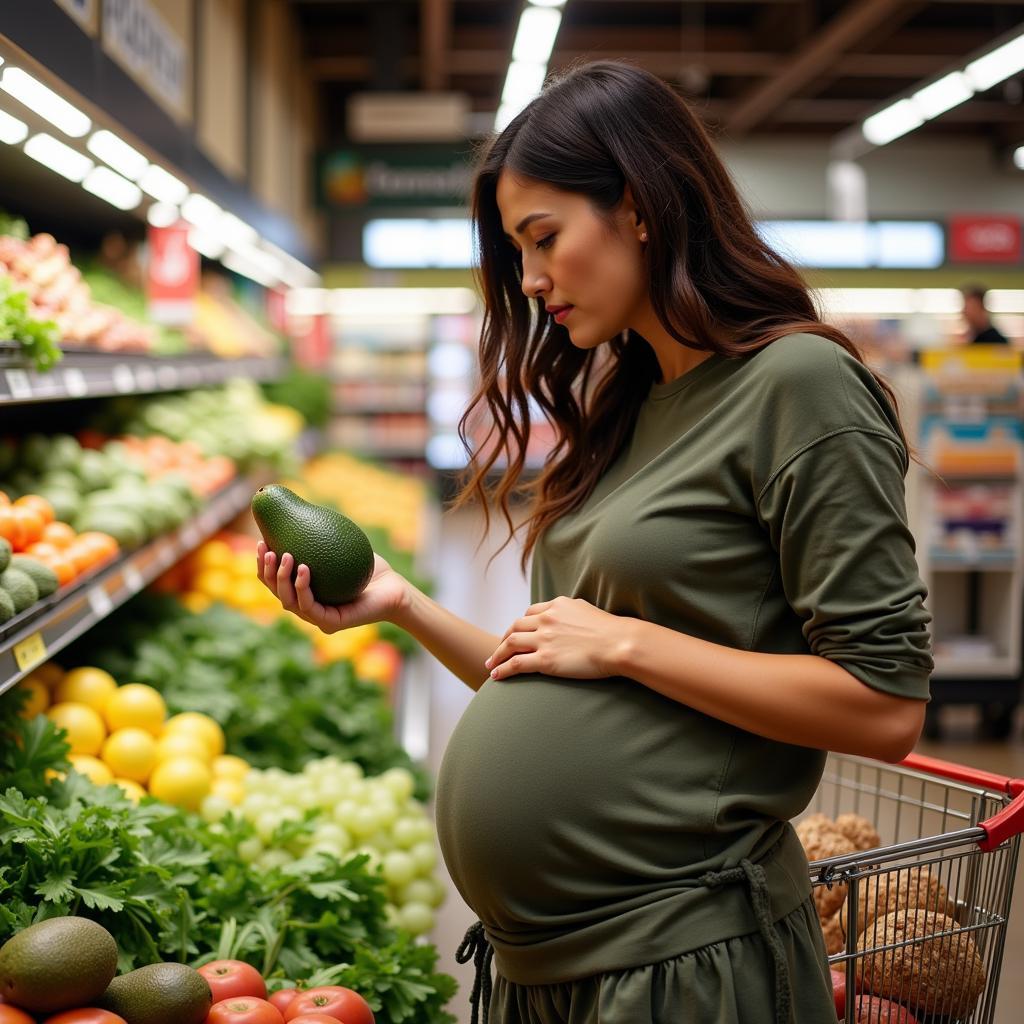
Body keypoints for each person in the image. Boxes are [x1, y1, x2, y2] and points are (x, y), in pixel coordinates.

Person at [257, 61, 932, 1024]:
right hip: (555, 971)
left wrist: (625, 641)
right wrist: (400, 603)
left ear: (642, 205)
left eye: (545, 239)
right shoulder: (633, 402)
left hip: (684, 965)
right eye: (518, 253)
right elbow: (556, 672)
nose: (531, 283)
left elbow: (885, 706)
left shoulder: (800, 386)